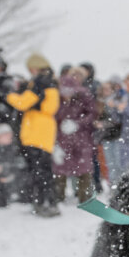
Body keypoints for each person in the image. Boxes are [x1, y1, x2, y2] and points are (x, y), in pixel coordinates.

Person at [7, 55, 61, 217]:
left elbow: (22, 103)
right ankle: (49, 202)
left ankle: (42, 203)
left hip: (36, 131)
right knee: (44, 170)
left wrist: (9, 95)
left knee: (38, 171)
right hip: (44, 132)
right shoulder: (49, 81)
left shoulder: (40, 82)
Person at [53, 68, 100, 204]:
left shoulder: (84, 96)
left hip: (82, 138)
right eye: (64, 91)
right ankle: (59, 197)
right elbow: (54, 117)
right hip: (62, 137)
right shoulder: (57, 99)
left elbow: (92, 114)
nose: (66, 94)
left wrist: (77, 123)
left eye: (69, 91)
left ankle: (84, 197)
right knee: (59, 167)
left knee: (83, 167)